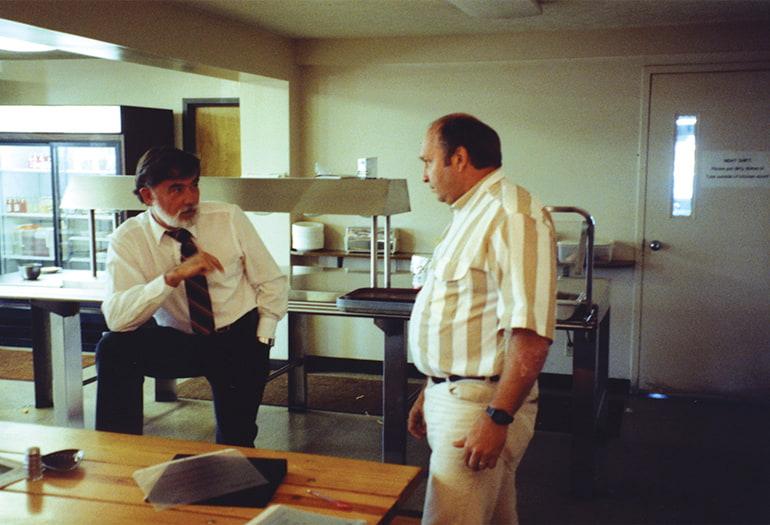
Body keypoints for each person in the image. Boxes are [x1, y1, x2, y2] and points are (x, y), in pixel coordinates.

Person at [407, 114, 557, 524]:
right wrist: (431, 389)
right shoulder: (471, 212)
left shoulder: (511, 215)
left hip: (479, 406)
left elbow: (530, 335)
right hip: (458, 396)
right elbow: (467, 316)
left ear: (458, 158)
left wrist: (497, 417)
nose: (424, 175)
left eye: (427, 161)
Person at [95, 146, 288, 447]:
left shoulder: (227, 217)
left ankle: (235, 466)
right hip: (180, 340)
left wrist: (263, 337)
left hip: (238, 337)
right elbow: (118, 319)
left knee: (237, 439)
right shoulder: (129, 238)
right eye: (176, 188)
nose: (190, 198)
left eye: (194, 185)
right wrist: (172, 277)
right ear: (147, 196)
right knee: (113, 348)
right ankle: (118, 452)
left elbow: (271, 280)